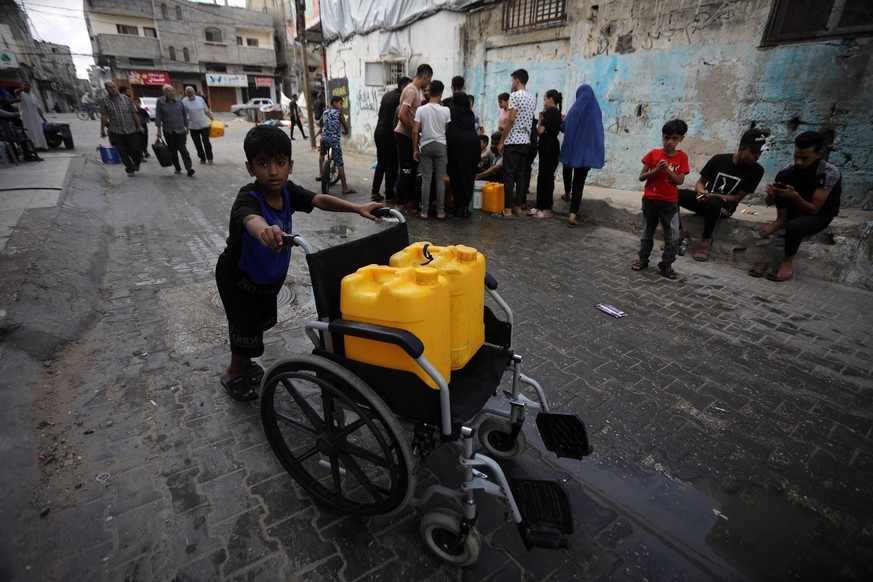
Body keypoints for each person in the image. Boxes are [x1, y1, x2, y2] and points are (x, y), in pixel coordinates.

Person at [214, 125, 382, 400]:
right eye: (263, 163)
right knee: (246, 332)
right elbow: (249, 218)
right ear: (250, 167)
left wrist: (357, 208)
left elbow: (318, 199)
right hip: (238, 280)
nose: (273, 171)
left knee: (258, 327)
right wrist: (264, 230)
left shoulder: (288, 192)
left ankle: (245, 363)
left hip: (266, 281)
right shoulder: (248, 197)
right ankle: (233, 372)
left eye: (280, 163)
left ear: (290, 166)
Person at [750, 131, 842, 282]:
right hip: (797, 208)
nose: (798, 162)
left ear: (818, 153)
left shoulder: (828, 172)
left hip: (819, 214)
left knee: (795, 226)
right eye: (796, 157)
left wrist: (794, 196)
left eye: (804, 158)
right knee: (783, 175)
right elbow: (768, 203)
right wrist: (772, 195)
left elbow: (814, 209)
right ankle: (781, 220)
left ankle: (787, 261)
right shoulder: (791, 168)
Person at [678, 129, 766, 261]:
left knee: (714, 202)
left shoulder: (757, 171)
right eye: (753, 152)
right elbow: (700, 183)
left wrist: (713, 196)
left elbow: (737, 198)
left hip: (725, 207)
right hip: (706, 200)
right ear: (742, 148)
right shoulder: (718, 159)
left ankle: (706, 240)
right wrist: (701, 192)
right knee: (674, 194)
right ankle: (679, 232)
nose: (757, 156)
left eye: (760, 153)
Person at [632, 119, 689, 279]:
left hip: (669, 202)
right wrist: (657, 169)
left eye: (674, 139)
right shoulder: (653, 154)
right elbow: (642, 177)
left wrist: (667, 171)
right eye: (666, 137)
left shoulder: (682, 157)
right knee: (647, 233)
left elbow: (679, 180)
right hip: (650, 200)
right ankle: (643, 259)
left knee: (672, 236)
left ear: (681, 139)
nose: (669, 142)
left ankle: (666, 263)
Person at [558, 84, 605, 227]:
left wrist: (564, 120)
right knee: (579, 183)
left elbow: (564, 128)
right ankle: (573, 215)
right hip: (587, 153)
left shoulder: (575, 108)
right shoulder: (596, 111)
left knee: (567, 167)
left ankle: (567, 193)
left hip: (573, 151)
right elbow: (599, 133)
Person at [495, 69, 536, 219]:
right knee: (521, 175)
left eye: (513, 80)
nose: (512, 83)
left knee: (509, 175)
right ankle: (518, 206)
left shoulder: (514, 96)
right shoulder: (531, 98)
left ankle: (507, 209)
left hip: (513, 141)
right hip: (526, 141)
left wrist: (502, 141)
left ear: (517, 80)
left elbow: (510, 120)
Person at [394, 63, 433, 213]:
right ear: (425, 77)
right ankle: (399, 204)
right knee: (406, 170)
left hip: (405, 134)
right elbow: (402, 115)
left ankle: (406, 202)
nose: (428, 84)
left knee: (409, 168)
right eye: (428, 81)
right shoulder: (412, 91)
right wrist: (412, 133)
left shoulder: (413, 90)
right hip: (404, 134)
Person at [412, 80, 451, 219]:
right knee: (440, 180)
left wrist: (415, 149)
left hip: (425, 146)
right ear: (441, 93)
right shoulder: (446, 110)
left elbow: (415, 131)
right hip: (440, 145)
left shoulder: (421, 110)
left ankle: (424, 211)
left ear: (429, 92)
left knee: (426, 180)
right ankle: (440, 212)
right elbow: (446, 129)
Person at [372, 77, 410, 202]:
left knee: (381, 163)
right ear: (403, 86)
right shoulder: (400, 99)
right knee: (392, 164)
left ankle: (375, 192)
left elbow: (380, 114)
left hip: (378, 131)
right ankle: (389, 194)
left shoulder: (387, 95)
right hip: (388, 134)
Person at [445, 91, 481, 218]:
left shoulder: (450, 111)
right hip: (472, 144)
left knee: (456, 175)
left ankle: (458, 206)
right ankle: (466, 207)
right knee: (468, 176)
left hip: (456, 145)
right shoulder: (470, 113)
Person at [529, 89, 563, 219]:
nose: (544, 102)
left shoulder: (551, 112)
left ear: (550, 99)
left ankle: (547, 208)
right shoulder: (555, 112)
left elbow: (540, 131)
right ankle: (540, 205)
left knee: (546, 177)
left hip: (549, 146)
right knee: (543, 176)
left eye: (545, 99)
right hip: (549, 146)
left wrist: (540, 119)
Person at [99, 80, 144, 177]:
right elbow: (104, 116)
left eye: (114, 87)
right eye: (110, 88)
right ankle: (130, 169)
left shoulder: (125, 99)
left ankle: (136, 163)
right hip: (116, 131)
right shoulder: (104, 101)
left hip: (131, 129)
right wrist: (102, 129)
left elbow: (134, 113)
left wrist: (139, 126)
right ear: (106, 89)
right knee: (122, 152)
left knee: (136, 150)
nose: (113, 89)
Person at [316, 95, 355, 194]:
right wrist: (346, 132)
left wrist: (324, 128)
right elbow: (346, 127)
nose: (342, 106)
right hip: (334, 141)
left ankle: (320, 173)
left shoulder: (325, 112)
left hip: (324, 139)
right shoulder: (338, 114)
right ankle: (345, 188)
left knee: (321, 155)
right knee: (339, 164)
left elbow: (320, 122)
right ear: (334, 103)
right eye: (341, 103)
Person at [155, 84, 195, 177]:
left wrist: (187, 126)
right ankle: (177, 168)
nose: (172, 92)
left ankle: (189, 168)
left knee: (183, 149)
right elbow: (158, 116)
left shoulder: (179, 102)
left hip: (180, 130)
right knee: (172, 151)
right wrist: (158, 130)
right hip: (168, 130)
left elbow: (184, 115)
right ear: (165, 92)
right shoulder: (160, 102)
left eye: (172, 90)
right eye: (169, 91)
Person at [183, 85, 215, 165]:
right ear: (185, 93)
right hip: (193, 126)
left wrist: (213, 120)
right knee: (197, 143)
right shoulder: (184, 101)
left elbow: (206, 111)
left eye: (191, 92)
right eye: (187, 93)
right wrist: (185, 126)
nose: (189, 94)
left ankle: (210, 158)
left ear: (194, 92)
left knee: (206, 142)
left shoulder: (200, 99)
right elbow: (183, 115)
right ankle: (202, 158)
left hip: (204, 125)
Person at [16, 82, 48, 151]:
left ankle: (42, 146)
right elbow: (16, 92)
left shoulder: (33, 95)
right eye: (25, 86)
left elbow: (38, 108)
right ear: (22, 87)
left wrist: (42, 117)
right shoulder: (21, 94)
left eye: (28, 86)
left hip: (35, 117)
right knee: (29, 132)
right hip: (26, 117)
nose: (27, 87)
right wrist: (21, 88)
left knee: (39, 131)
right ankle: (31, 148)